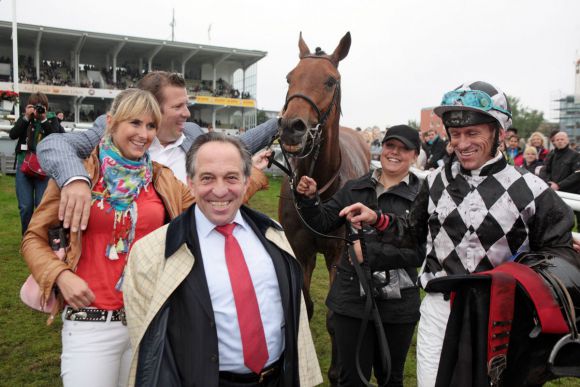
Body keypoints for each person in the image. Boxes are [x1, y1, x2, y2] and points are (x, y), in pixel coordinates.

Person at [337, 81, 577, 387]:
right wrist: (379, 219)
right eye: (456, 134)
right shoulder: (434, 181)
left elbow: (556, 255)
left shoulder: (534, 190)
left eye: (472, 133)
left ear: (498, 132)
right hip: (440, 310)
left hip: (501, 318)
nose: (462, 143)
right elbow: (413, 234)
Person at [21, 89, 198, 386]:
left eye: (151, 126)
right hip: (90, 325)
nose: (144, 134)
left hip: (144, 322)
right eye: (135, 123)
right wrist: (61, 276)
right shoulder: (79, 174)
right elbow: (33, 239)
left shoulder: (161, 178)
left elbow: (207, 210)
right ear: (112, 123)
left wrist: (251, 177)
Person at [123, 132, 322, 386]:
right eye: (207, 178)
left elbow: (295, 317)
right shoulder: (152, 252)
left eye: (231, 178)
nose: (220, 190)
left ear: (246, 180)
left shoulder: (273, 233)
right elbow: (149, 347)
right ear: (190, 183)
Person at [36, 71, 277, 233]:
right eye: (178, 106)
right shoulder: (110, 130)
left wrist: (282, 121)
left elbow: (234, 147)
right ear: (150, 106)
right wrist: (75, 180)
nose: (187, 113)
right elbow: (54, 144)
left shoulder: (191, 134)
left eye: (187, 105)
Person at [295, 125, 424, 387]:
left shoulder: (423, 195)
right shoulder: (356, 187)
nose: (395, 153)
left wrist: (368, 253)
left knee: (391, 378)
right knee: (351, 377)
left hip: (398, 305)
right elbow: (322, 222)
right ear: (382, 148)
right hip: (351, 298)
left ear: (416, 155)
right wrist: (310, 200)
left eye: (404, 149)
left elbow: (419, 251)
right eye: (390, 146)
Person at [9, 92, 64, 234]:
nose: (37, 110)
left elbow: (57, 138)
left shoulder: (52, 120)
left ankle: (39, 238)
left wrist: (44, 120)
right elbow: (12, 135)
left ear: (46, 108)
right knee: (25, 206)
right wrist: (26, 117)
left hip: (44, 168)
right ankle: (27, 238)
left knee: (41, 205)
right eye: (34, 106)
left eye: (41, 107)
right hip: (24, 166)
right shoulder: (26, 119)